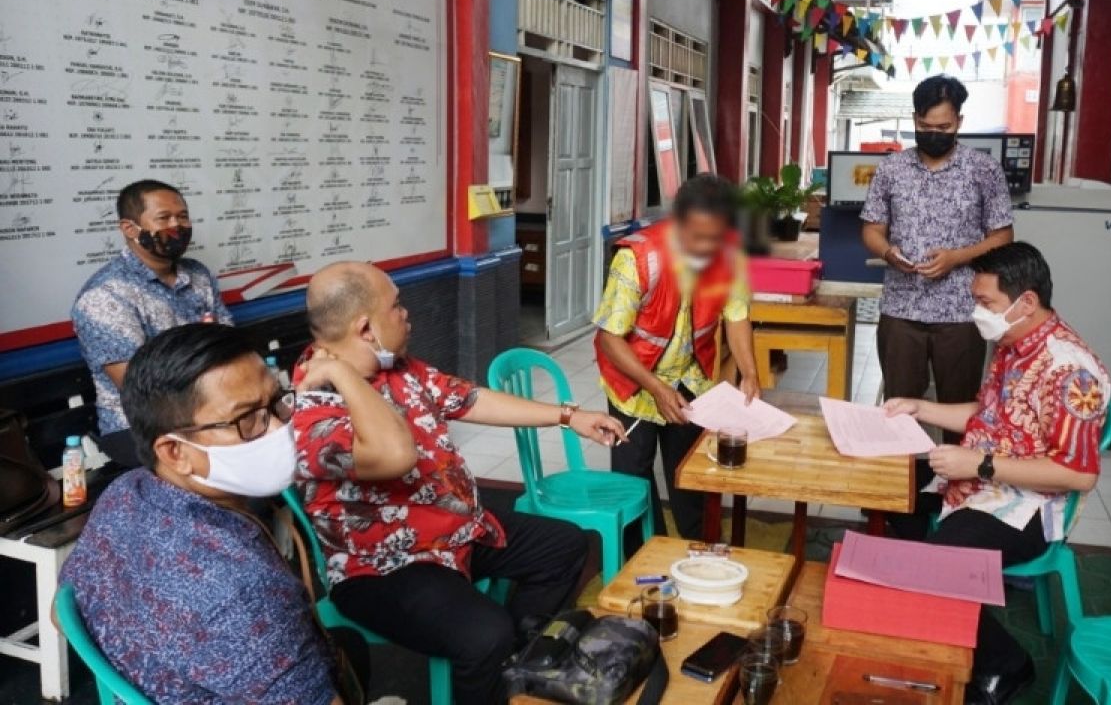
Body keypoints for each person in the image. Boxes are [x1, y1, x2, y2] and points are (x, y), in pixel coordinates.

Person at [291, 261, 627, 704]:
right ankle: (495, 659)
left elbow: (469, 398)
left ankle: (515, 662)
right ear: (366, 328)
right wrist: (344, 376)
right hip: (386, 566)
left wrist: (569, 416)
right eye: (397, 305)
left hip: (456, 531)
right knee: (485, 634)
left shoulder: (400, 368)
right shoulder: (316, 405)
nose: (406, 313)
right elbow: (395, 457)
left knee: (564, 547)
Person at [59, 323, 351, 704]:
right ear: (175, 451)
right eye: (245, 418)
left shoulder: (125, 493)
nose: (280, 428)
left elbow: (60, 612)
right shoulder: (244, 592)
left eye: (278, 402)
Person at [884, 242, 1110, 705]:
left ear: (1025, 302)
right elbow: (986, 414)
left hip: (1034, 505)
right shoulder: (1012, 343)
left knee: (939, 561)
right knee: (889, 491)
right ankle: (934, 617)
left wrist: (980, 464)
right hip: (985, 479)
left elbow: (1079, 475)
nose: (976, 313)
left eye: (985, 303)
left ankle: (1004, 662)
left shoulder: (1071, 372)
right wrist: (919, 407)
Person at [593, 173, 759, 549]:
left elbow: (736, 317)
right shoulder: (636, 258)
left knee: (690, 475)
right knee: (633, 482)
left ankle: (698, 551)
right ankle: (639, 557)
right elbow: (609, 338)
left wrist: (749, 372)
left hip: (690, 379)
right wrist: (655, 387)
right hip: (634, 385)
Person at [861, 75, 1014, 443]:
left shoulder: (983, 170)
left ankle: (953, 496)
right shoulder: (892, 169)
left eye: (943, 126)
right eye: (925, 126)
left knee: (958, 412)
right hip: (901, 311)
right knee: (898, 413)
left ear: (959, 122)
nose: (934, 133)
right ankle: (904, 496)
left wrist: (956, 258)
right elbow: (871, 229)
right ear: (914, 119)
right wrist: (887, 251)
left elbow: (1003, 236)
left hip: (961, 314)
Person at [71, 179, 232, 467]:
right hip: (142, 428)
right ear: (129, 229)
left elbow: (229, 346)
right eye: (164, 218)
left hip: (215, 408)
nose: (177, 225)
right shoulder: (105, 295)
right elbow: (140, 386)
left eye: (182, 216)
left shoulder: (198, 275)